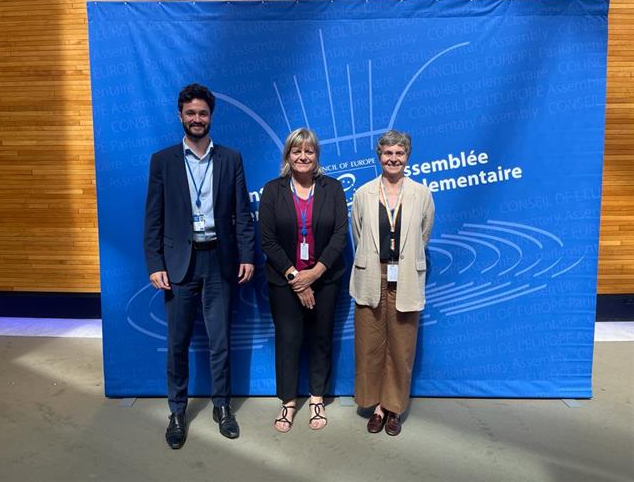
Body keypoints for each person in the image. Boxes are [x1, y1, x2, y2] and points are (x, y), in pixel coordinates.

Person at [144, 83, 255, 450]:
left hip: (219, 262)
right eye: (190, 113)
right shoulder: (163, 161)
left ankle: (222, 407)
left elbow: (242, 213)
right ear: (180, 116)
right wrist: (155, 262)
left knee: (220, 342)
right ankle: (177, 411)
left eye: (202, 113)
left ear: (211, 116)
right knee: (177, 343)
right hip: (179, 264)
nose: (196, 119)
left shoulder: (231, 159)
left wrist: (246, 255)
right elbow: (153, 219)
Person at [259, 128, 348, 433]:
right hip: (284, 282)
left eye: (309, 151)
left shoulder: (333, 189)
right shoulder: (272, 190)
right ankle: (287, 402)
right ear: (288, 155)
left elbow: (339, 235)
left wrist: (316, 273)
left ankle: (316, 398)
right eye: (297, 151)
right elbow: (267, 240)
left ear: (317, 156)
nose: (303, 156)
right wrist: (296, 278)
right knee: (288, 340)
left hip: (325, 279)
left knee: (321, 339)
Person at [349, 130, 434, 436]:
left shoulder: (421, 194)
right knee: (369, 345)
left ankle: (394, 409)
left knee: (401, 347)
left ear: (407, 157)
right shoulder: (363, 193)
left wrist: (402, 259)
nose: (393, 159)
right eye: (388, 153)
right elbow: (358, 234)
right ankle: (376, 407)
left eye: (399, 153)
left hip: (406, 275)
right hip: (372, 273)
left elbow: (423, 234)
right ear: (379, 156)